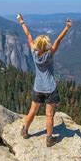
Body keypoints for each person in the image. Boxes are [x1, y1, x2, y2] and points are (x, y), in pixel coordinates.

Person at [16, 13, 72, 147]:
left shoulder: (34, 54)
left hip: (38, 88)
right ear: (45, 46)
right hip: (50, 89)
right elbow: (58, 40)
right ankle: (49, 138)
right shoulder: (49, 55)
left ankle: (25, 130)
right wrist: (66, 28)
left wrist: (21, 21)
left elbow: (28, 35)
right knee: (49, 115)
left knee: (32, 111)